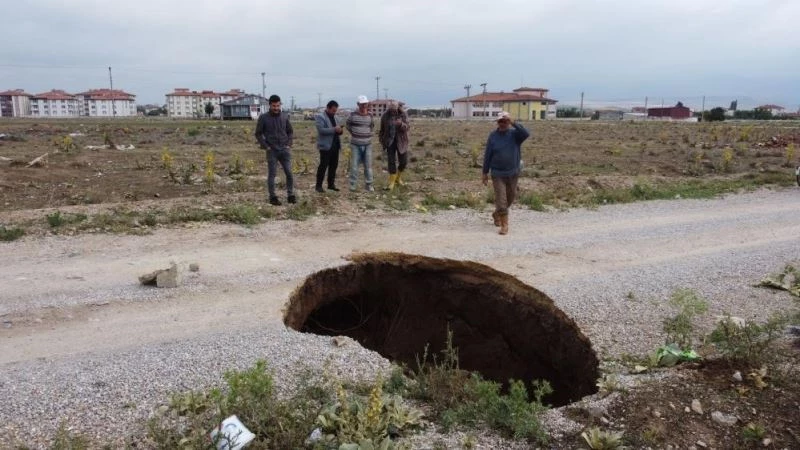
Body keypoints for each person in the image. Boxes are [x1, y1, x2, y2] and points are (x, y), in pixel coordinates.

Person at [481, 111, 529, 235]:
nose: (502, 123)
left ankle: (497, 214)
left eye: (505, 121)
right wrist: (485, 172)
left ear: (508, 122)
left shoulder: (515, 135)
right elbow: (488, 155)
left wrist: (513, 122)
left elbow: (526, 133)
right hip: (497, 173)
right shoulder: (493, 136)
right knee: (501, 199)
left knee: (511, 197)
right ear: (497, 122)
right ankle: (504, 225)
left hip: (513, 172)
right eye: (500, 121)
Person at [255, 94, 295, 205]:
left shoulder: (284, 116)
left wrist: (289, 144)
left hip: (284, 150)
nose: (276, 108)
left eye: (278, 105)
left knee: (289, 173)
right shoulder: (263, 118)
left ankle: (291, 195)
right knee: (272, 175)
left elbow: (290, 131)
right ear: (270, 105)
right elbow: (258, 134)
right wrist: (266, 146)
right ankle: (273, 197)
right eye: (274, 106)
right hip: (272, 150)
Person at [345, 95, 375, 192]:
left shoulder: (370, 115)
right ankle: (353, 185)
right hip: (355, 144)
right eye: (362, 104)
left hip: (368, 144)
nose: (364, 106)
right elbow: (348, 125)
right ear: (358, 104)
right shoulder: (352, 115)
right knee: (354, 166)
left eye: (365, 104)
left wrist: (367, 134)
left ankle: (369, 184)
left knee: (368, 166)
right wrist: (354, 132)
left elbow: (372, 126)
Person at [379, 101, 410, 191]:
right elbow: (382, 129)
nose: (392, 111)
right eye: (390, 109)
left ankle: (398, 178)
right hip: (390, 141)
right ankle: (392, 181)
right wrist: (381, 140)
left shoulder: (403, 114)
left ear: (397, 108)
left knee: (403, 162)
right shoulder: (385, 115)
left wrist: (400, 124)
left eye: (394, 109)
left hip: (402, 141)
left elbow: (408, 127)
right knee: (391, 161)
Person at [314, 100, 343, 192]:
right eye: (333, 110)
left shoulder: (336, 118)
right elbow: (321, 130)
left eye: (336, 110)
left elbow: (339, 131)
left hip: (335, 146)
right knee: (323, 166)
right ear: (328, 108)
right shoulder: (320, 117)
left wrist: (340, 131)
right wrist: (334, 129)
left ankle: (331, 185)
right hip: (325, 147)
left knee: (333, 166)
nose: (334, 112)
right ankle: (318, 186)